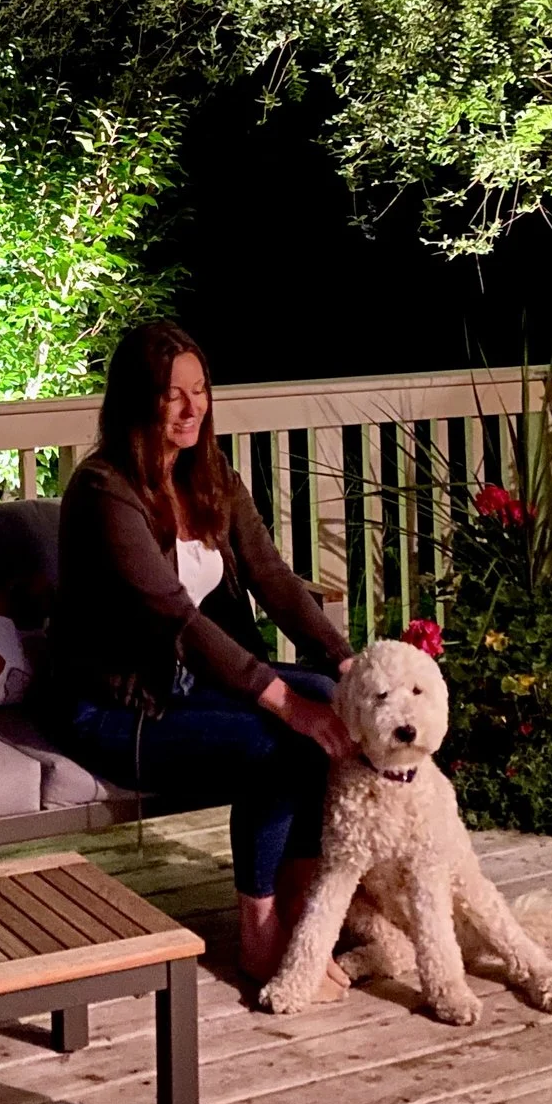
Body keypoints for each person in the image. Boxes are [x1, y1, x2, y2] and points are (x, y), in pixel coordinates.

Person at [47, 320, 356, 983]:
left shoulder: (210, 476)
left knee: (332, 702)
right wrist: (282, 700)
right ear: (138, 399)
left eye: (200, 390)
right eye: (172, 394)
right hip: (118, 701)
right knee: (279, 741)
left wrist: (344, 660)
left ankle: (303, 910)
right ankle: (260, 929)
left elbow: (273, 576)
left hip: (188, 684)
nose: (192, 408)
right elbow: (175, 619)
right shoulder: (104, 491)